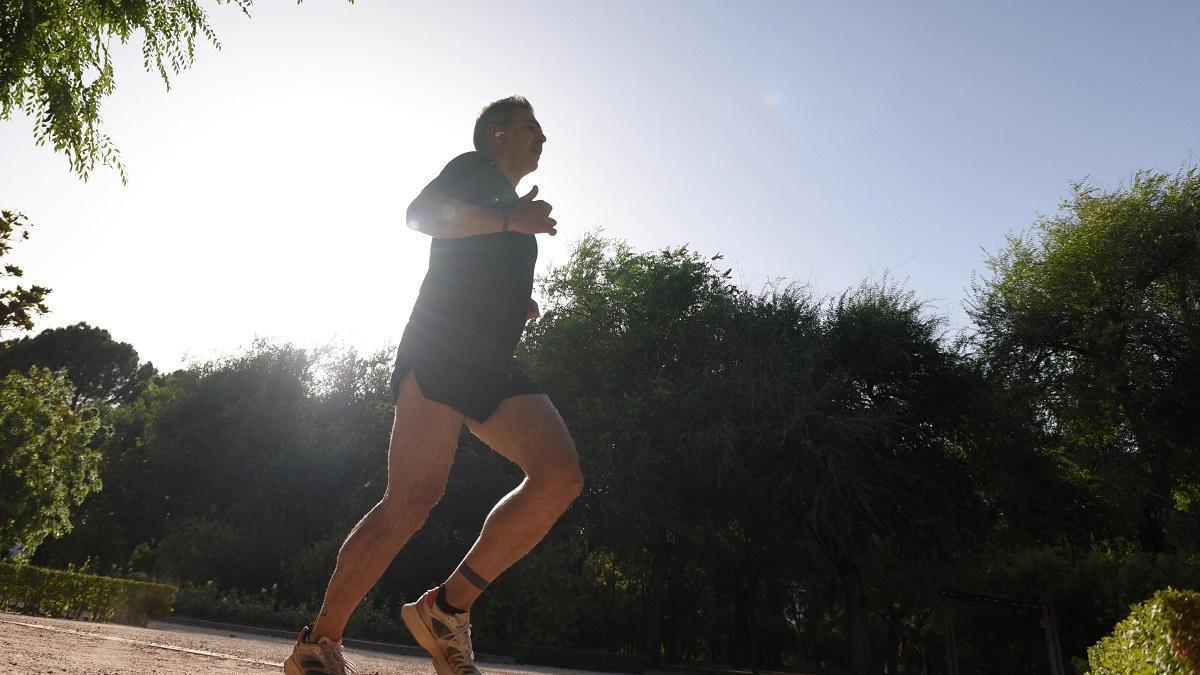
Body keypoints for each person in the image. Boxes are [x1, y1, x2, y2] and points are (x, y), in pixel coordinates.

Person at [284, 96, 582, 675]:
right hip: (443, 348)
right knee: (411, 502)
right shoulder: (474, 170)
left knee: (560, 476)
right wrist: (509, 220)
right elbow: (420, 217)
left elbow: (474, 266)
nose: (542, 136)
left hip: (491, 361)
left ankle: (447, 609)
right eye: (529, 127)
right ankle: (319, 644)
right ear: (495, 134)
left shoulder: (509, 202)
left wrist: (516, 301)